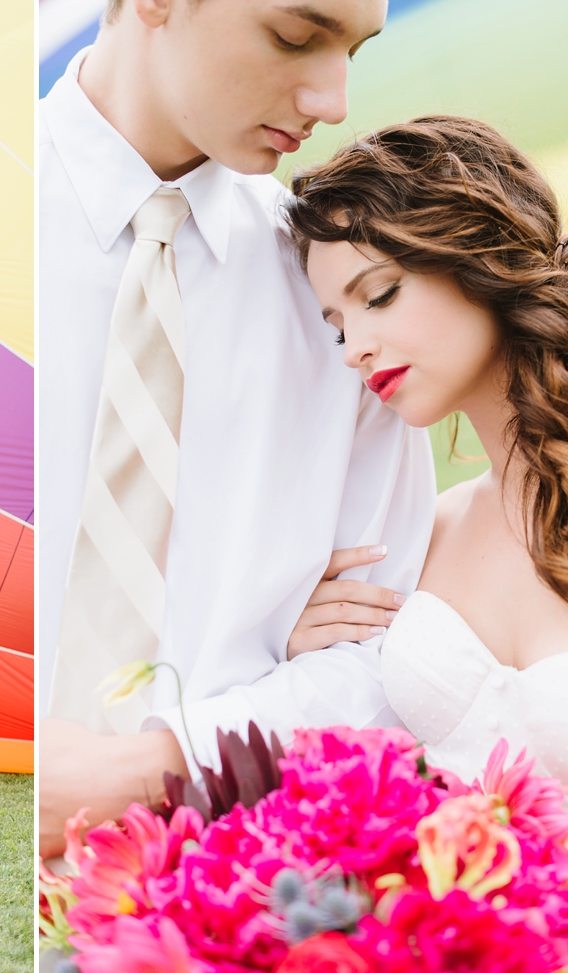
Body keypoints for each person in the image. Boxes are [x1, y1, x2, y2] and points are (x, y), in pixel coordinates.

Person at [39, 0, 437, 856]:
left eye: (353, 52)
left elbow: (389, 659)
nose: (333, 101)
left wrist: (161, 763)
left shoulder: (338, 306)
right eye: (294, 36)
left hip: (221, 894)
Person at [287, 114, 568, 966]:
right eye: (333, 324)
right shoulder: (418, 534)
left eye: (379, 294)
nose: (355, 347)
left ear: (478, 255)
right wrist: (299, 639)